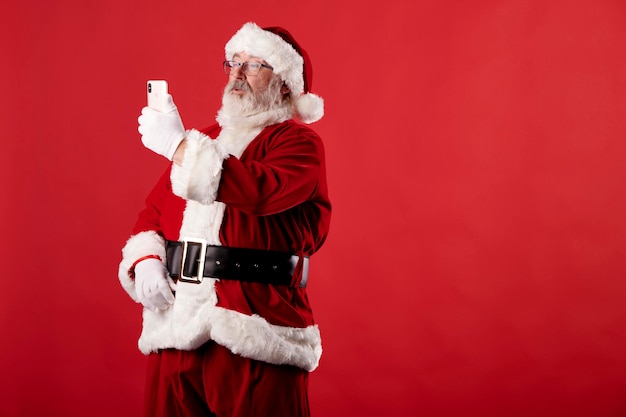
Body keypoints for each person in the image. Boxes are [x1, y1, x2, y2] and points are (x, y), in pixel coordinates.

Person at [118, 22, 331, 417]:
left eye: (253, 65)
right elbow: (153, 214)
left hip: (254, 329)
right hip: (179, 329)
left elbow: (260, 191)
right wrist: (145, 261)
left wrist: (179, 146)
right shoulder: (204, 140)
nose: (236, 73)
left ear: (285, 84)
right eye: (233, 62)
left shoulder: (297, 143)